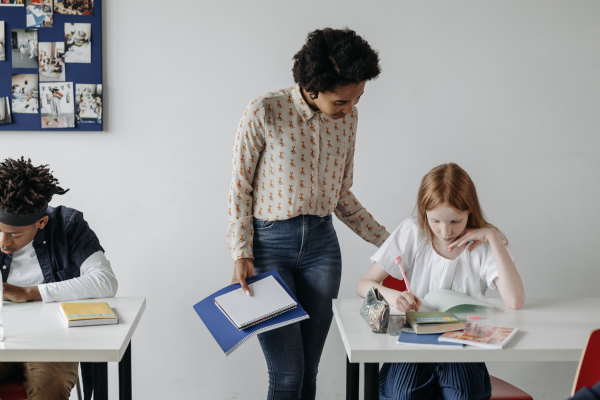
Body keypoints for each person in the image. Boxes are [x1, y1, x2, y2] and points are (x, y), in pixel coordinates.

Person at [228, 28, 390, 399]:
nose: (349, 108)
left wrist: (393, 242)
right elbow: (240, 188)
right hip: (268, 248)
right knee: (287, 373)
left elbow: (341, 195)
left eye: (357, 98)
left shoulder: (348, 120)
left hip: (322, 248)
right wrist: (241, 252)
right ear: (312, 87)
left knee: (309, 373)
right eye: (341, 101)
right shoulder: (264, 111)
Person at [357, 163, 526, 400]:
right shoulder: (413, 233)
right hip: (414, 342)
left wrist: (493, 237)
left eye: (455, 221)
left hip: (462, 345)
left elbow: (515, 301)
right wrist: (396, 297)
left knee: (464, 394)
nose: (445, 231)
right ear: (424, 212)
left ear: (469, 211)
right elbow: (364, 284)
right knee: (402, 394)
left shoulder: (484, 246)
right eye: (435, 220)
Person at [0, 157, 118, 400]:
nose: (4, 242)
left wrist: (28, 293)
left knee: (49, 390)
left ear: (42, 222)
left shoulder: (67, 225)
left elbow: (105, 281)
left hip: (51, 340)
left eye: (14, 234)